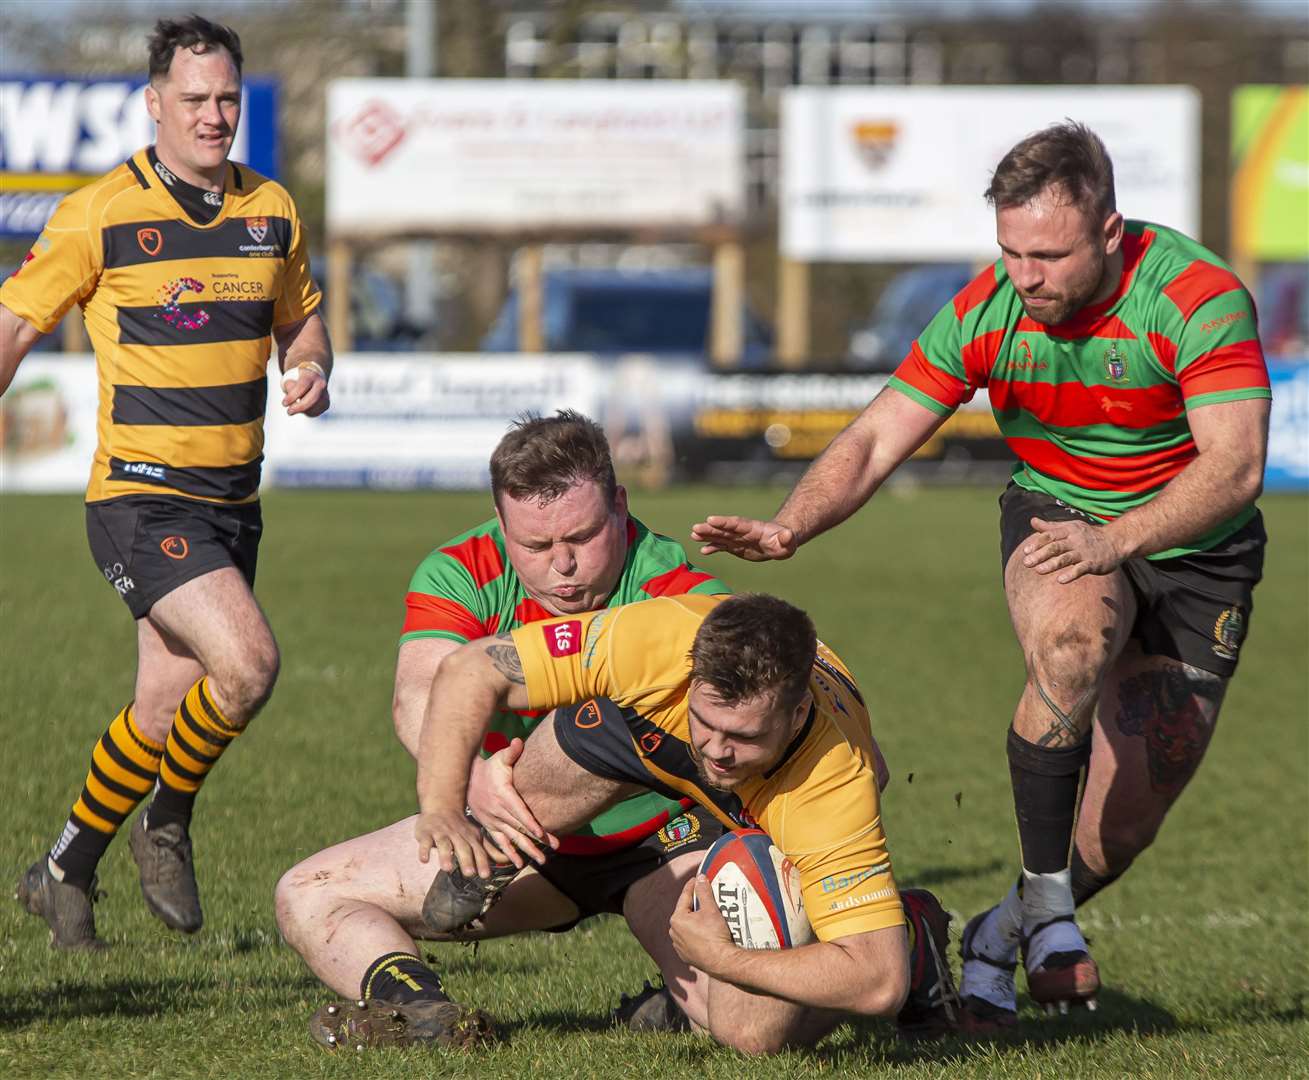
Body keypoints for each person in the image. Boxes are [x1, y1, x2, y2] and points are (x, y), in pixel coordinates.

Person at [689, 122, 1270, 1026]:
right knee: (1071, 646)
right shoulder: (988, 308)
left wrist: (1120, 540)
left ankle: (1004, 928)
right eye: (1009, 252)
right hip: (1060, 513)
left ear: (1110, 233)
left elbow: (1233, 468)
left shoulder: (1197, 299)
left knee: (1120, 831)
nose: (1025, 275)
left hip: (1201, 558)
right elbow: (881, 431)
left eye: (1047, 253)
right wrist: (789, 525)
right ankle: (1047, 910)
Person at [4, 14, 332, 949]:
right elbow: (16, 328)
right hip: (139, 496)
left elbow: (301, 321)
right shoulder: (99, 210)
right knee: (250, 664)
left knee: (158, 711)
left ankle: (62, 871)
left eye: (227, 97)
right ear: (154, 105)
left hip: (235, 503)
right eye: (194, 99)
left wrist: (311, 364)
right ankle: (168, 821)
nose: (214, 115)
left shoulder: (271, 206)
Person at [276, 411, 735, 1038]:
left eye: (583, 535)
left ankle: (691, 1006)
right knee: (307, 894)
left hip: (665, 840)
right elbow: (418, 694)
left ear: (620, 505)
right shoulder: (461, 570)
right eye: (536, 547)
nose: (563, 566)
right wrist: (468, 781)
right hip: (517, 839)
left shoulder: (677, 588)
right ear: (502, 525)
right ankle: (425, 1009)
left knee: (745, 1026)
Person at [365, 592, 959, 1055]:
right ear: (691, 674)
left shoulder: (829, 784)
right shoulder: (654, 638)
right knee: (565, 740)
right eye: (708, 721)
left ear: (797, 711)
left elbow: (877, 983)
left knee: (750, 1033)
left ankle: (911, 932)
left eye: (743, 735)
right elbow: (469, 669)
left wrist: (725, 961)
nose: (718, 750)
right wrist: (444, 803)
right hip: (646, 732)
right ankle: (498, 850)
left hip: (776, 802)